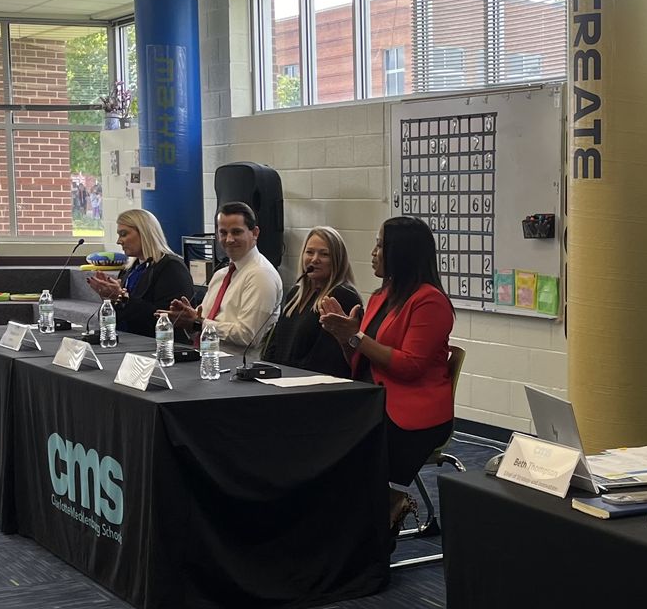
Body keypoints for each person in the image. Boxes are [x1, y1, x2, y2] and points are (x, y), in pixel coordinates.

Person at [319, 216, 455, 532]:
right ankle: (379, 507)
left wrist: (357, 337)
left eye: (381, 244)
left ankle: (372, 524)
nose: (373, 252)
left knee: (341, 450)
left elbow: (410, 366)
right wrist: (345, 338)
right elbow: (361, 359)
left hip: (412, 416)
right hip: (373, 400)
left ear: (401, 252)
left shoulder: (430, 301)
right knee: (319, 434)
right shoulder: (383, 295)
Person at [164, 202, 282, 361]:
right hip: (205, 361)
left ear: (254, 233)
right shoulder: (221, 274)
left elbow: (248, 336)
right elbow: (201, 325)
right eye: (223, 232)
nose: (229, 239)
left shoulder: (261, 275)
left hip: (238, 369)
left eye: (236, 232)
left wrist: (199, 323)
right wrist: (187, 321)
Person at [265, 226, 362, 377]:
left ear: (337, 259)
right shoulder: (295, 294)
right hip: (282, 381)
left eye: (324, 254)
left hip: (313, 386)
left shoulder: (342, 296)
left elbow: (327, 357)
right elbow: (276, 344)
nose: (314, 259)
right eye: (309, 252)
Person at [84, 209, 193, 334]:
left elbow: (166, 319)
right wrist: (109, 300)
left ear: (144, 233)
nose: (119, 241)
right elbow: (114, 318)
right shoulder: (130, 269)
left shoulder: (171, 267)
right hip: (126, 341)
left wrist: (122, 298)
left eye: (124, 234)